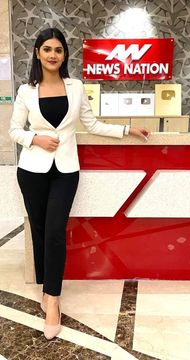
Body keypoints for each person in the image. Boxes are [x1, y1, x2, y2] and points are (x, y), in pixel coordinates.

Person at [9, 27, 150, 340]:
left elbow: (92, 124)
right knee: (41, 230)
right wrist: (36, 138)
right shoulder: (25, 91)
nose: (53, 55)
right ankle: (46, 289)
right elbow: (14, 131)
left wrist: (127, 130)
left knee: (56, 231)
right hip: (32, 170)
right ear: (37, 53)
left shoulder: (75, 87)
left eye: (58, 50)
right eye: (47, 49)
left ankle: (54, 300)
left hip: (66, 171)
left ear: (64, 55)